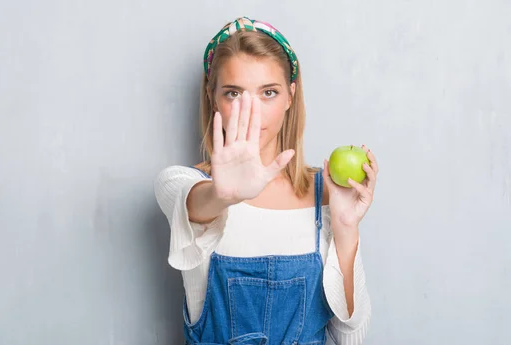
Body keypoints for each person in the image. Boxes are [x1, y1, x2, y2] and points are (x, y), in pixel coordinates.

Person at [154, 16, 379, 345]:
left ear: (290, 96)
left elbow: (350, 338)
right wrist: (224, 195)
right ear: (212, 96)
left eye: (268, 93)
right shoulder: (183, 184)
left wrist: (345, 230)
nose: (252, 110)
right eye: (233, 93)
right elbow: (193, 203)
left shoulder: (327, 193)